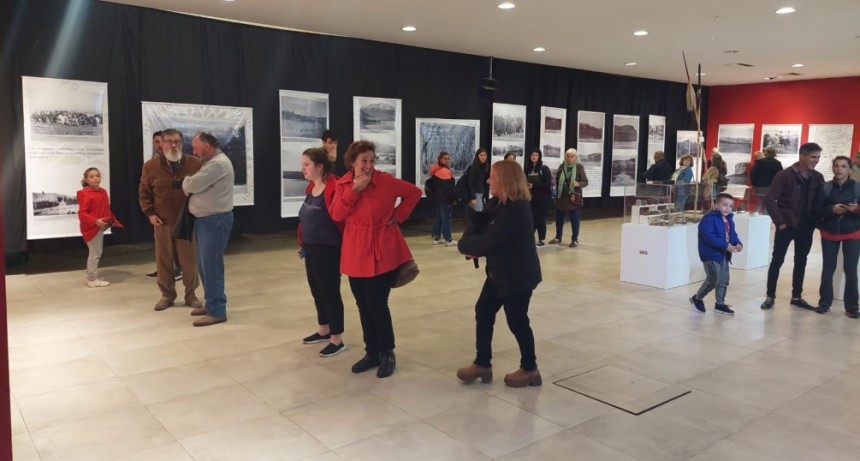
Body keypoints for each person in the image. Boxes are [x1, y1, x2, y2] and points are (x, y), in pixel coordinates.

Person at [331, 140, 421, 378]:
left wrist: (398, 217)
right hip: (355, 250)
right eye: (364, 161)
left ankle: (387, 352)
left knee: (377, 303)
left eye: (372, 160)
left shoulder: (385, 181)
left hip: (383, 248)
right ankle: (371, 352)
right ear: (352, 162)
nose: (369, 165)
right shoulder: (343, 184)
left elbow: (414, 193)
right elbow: (337, 214)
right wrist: (355, 191)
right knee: (362, 304)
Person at [456, 160, 542, 387]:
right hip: (499, 273)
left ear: (505, 180)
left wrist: (465, 246)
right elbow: (482, 223)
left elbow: (492, 240)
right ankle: (482, 364)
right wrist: (470, 215)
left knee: (517, 321)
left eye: (492, 176)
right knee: (483, 311)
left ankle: (530, 369)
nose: (488, 180)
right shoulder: (499, 203)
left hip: (517, 276)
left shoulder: (517, 209)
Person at [139, 128, 204, 312]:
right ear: (162, 143)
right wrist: (150, 213)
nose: (173, 145)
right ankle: (167, 295)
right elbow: (144, 192)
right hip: (162, 221)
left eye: (176, 141)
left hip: (187, 220)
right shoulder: (151, 166)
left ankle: (191, 295)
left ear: (182, 144)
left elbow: (204, 189)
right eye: (168, 141)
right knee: (164, 259)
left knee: (189, 260)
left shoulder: (194, 164)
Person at [761, 142, 825, 310]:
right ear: (802, 155)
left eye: (818, 157)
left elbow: (820, 201)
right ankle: (770, 296)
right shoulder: (784, 175)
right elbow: (770, 199)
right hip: (787, 226)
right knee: (777, 260)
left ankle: (796, 296)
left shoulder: (818, 177)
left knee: (801, 262)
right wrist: (780, 222)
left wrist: (817, 221)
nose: (816, 160)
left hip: (806, 227)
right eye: (813, 157)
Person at [298, 147, 347, 355]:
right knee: (316, 289)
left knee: (329, 291)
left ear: (320, 166)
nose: (303, 169)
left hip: (328, 248)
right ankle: (324, 329)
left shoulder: (334, 186)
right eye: (302, 165)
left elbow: (340, 218)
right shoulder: (311, 186)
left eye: (306, 165)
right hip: (311, 247)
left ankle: (337, 338)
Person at [182, 131, 235, 327]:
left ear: (206, 146)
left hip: (214, 221)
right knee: (204, 266)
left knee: (212, 267)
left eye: (195, 148)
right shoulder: (212, 163)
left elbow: (192, 185)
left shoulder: (217, 164)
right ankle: (211, 303)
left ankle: (217, 311)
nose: (193, 152)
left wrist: (187, 181)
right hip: (207, 221)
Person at [812, 156, 860, 318]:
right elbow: (816, 210)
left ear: (849, 169)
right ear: (832, 168)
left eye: (843, 166)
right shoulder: (825, 187)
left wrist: (856, 209)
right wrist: (831, 210)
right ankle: (824, 303)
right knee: (828, 269)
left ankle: (852, 307)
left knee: (851, 270)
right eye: (836, 166)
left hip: (853, 233)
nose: (839, 169)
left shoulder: (857, 187)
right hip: (829, 232)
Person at [689, 193, 743, 315]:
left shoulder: (729, 219)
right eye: (725, 205)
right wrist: (726, 246)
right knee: (713, 279)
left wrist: (738, 243)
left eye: (730, 206)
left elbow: (732, 235)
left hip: (724, 255)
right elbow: (709, 237)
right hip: (711, 255)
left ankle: (720, 304)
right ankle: (697, 298)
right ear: (716, 205)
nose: (728, 208)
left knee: (724, 280)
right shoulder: (708, 219)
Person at [144, 130, 183, 281]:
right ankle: (164, 270)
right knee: (163, 246)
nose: (160, 145)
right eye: (157, 142)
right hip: (160, 213)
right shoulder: (151, 164)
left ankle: (180, 268)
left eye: (162, 141)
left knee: (180, 243)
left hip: (180, 212)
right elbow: (145, 189)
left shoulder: (182, 162)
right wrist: (150, 212)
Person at [78, 167, 124, 287]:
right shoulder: (85, 194)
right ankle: (91, 279)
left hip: (101, 225)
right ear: (86, 180)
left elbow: (105, 208)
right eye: (92, 176)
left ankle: (91, 276)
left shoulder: (102, 191)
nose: (95, 178)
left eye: (97, 176)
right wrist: (95, 221)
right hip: (91, 227)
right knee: (95, 253)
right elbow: (82, 214)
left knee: (96, 252)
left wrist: (111, 219)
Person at [549, 148, 589, 247]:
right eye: (567, 156)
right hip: (561, 197)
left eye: (572, 156)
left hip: (573, 197)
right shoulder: (561, 166)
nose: (569, 158)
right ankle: (558, 237)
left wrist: (578, 183)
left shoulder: (579, 167)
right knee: (559, 219)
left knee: (574, 219)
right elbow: (557, 180)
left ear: (575, 157)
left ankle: (575, 239)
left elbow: (585, 182)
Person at [425, 151, 457, 246]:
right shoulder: (444, 171)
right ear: (440, 159)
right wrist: (453, 198)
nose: (447, 160)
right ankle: (448, 239)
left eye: (448, 158)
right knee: (446, 219)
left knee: (439, 218)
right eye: (445, 158)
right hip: (445, 199)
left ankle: (437, 238)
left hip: (438, 199)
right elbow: (449, 189)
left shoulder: (435, 170)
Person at [523, 148, 552, 246]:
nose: (534, 157)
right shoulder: (527, 168)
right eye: (532, 155)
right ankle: (530, 238)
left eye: (536, 155)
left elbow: (547, 183)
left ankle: (542, 239)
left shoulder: (544, 169)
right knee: (531, 219)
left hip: (542, 198)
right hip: (530, 198)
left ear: (539, 157)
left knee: (540, 219)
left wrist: (534, 185)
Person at [749, 146, 783, 213]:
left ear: (766, 153)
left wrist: (755, 184)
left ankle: (756, 217)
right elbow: (780, 176)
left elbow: (753, 174)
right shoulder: (777, 163)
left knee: (759, 204)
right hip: (771, 188)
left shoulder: (760, 162)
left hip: (759, 188)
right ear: (774, 153)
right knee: (767, 206)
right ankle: (765, 217)